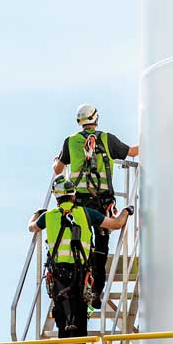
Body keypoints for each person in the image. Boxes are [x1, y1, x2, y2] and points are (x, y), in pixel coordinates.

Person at [29, 193, 130, 344]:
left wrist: (35, 214)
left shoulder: (48, 216)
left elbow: (31, 227)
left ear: (56, 197)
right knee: (79, 319)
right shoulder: (87, 213)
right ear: (73, 197)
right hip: (80, 276)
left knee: (61, 315)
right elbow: (116, 224)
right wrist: (126, 211)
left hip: (58, 277)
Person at [53, 104, 138, 308]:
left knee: (80, 245)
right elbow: (132, 152)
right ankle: (96, 293)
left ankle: (77, 287)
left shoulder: (70, 142)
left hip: (78, 204)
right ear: (96, 118)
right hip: (102, 203)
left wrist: (56, 159)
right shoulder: (107, 139)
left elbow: (58, 170)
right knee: (100, 249)